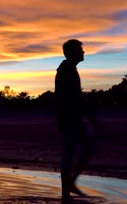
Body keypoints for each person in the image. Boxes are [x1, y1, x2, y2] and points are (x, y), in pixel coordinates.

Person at [55, 39, 101, 203]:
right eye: (80, 49)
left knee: (86, 148)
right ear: (71, 52)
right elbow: (73, 98)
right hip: (69, 119)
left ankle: (70, 185)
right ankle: (66, 193)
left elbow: (75, 97)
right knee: (69, 154)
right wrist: (92, 117)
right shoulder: (67, 70)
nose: (83, 52)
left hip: (73, 118)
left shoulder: (69, 69)